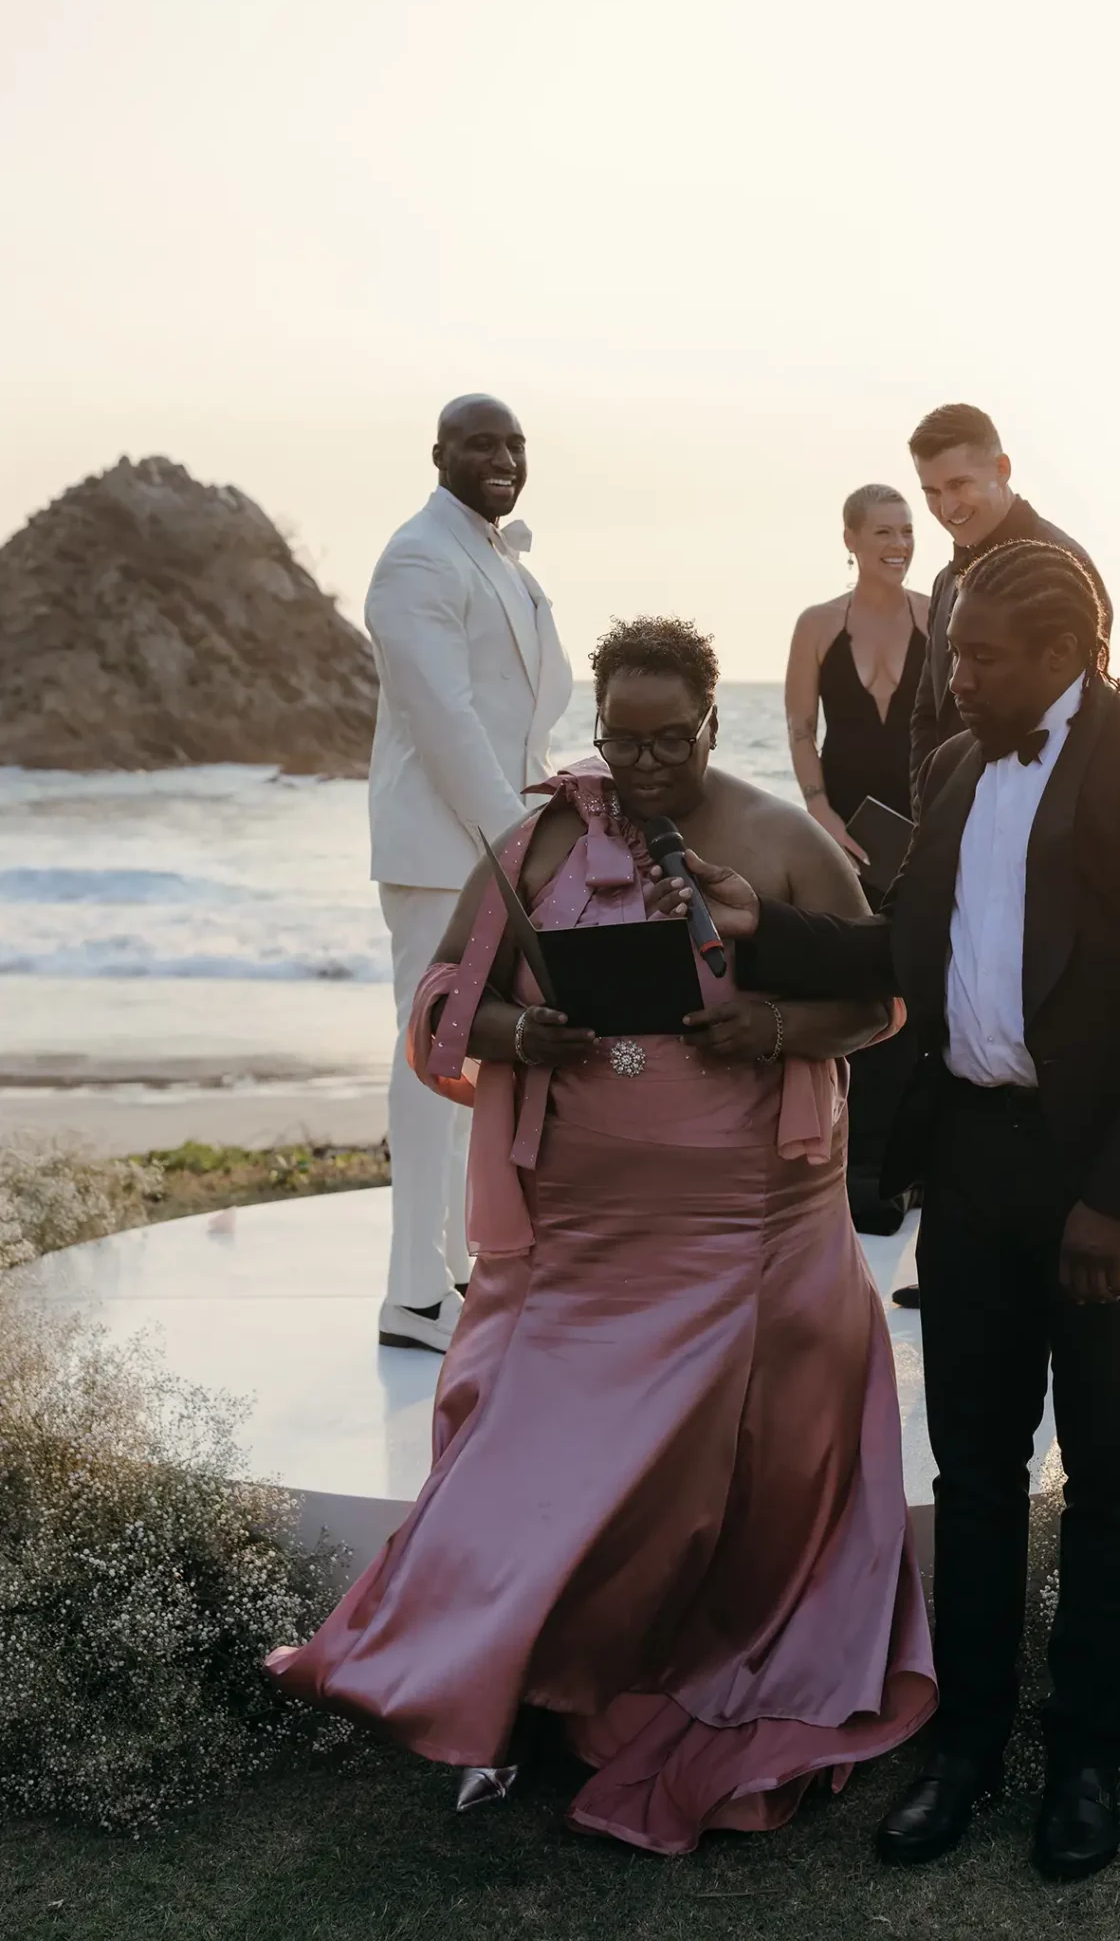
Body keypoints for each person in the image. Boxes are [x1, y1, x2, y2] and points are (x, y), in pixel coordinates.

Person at [269, 616, 936, 1854]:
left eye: (666, 739)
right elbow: (441, 999)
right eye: (619, 739)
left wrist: (778, 1031)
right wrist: (521, 1039)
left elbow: (875, 1000)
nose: (638, 764)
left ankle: (659, 1683)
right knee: (524, 1448)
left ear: (711, 723)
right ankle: (499, 1689)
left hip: (749, 1228)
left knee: (701, 1475)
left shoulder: (784, 838)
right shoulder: (543, 839)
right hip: (581, 1231)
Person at [656, 543, 1120, 1884]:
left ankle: (1083, 1758)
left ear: (1060, 656)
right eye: (950, 651)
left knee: (1103, 1476)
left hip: (1101, 1177)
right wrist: (764, 926)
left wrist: (1112, 1201)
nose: (952, 675)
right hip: (972, 1172)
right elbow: (903, 951)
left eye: (975, 657)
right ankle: (966, 1746)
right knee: (972, 1476)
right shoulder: (953, 767)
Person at [364, 395, 572, 1353]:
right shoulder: (417, 558)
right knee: (426, 1059)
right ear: (438, 452)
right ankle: (410, 1296)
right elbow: (443, 720)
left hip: (493, 840)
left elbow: (519, 715)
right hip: (442, 851)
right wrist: (513, 835)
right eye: (481, 443)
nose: (502, 457)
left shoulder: (498, 557)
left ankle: (453, 1268)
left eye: (514, 443)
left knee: (468, 1061)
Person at [785, 483, 929, 1233]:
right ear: (850, 538)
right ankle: (857, 1163)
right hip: (841, 832)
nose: (899, 543)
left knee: (919, 983)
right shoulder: (816, 625)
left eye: (906, 530)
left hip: (923, 829)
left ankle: (909, 1164)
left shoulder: (938, 616)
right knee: (857, 980)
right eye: (883, 531)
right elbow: (800, 729)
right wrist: (818, 813)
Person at [906, 402, 1107, 804]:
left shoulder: (1064, 565)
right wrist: (928, 805)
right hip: (952, 815)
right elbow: (928, 711)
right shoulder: (945, 580)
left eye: (960, 484)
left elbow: (1083, 714)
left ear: (1002, 469)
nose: (946, 508)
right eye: (932, 492)